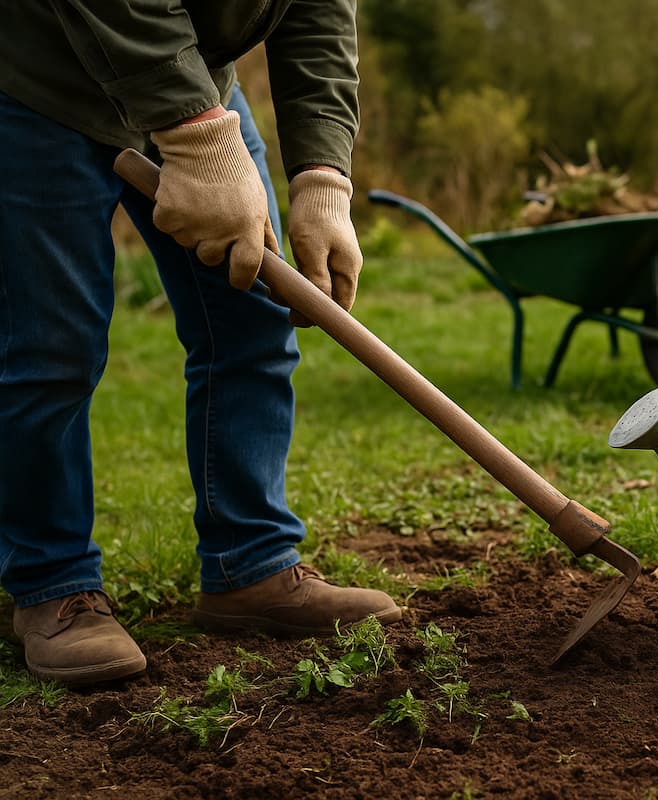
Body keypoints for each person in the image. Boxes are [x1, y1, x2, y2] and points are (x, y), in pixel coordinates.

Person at [0, 1, 403, 686]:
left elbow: (317, 10)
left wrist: (322, 177)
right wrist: (194, 133)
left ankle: (250, 564)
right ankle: (53, 584)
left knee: (252, 320)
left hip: (193, 78)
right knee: (51, 349)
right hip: (41, 77)